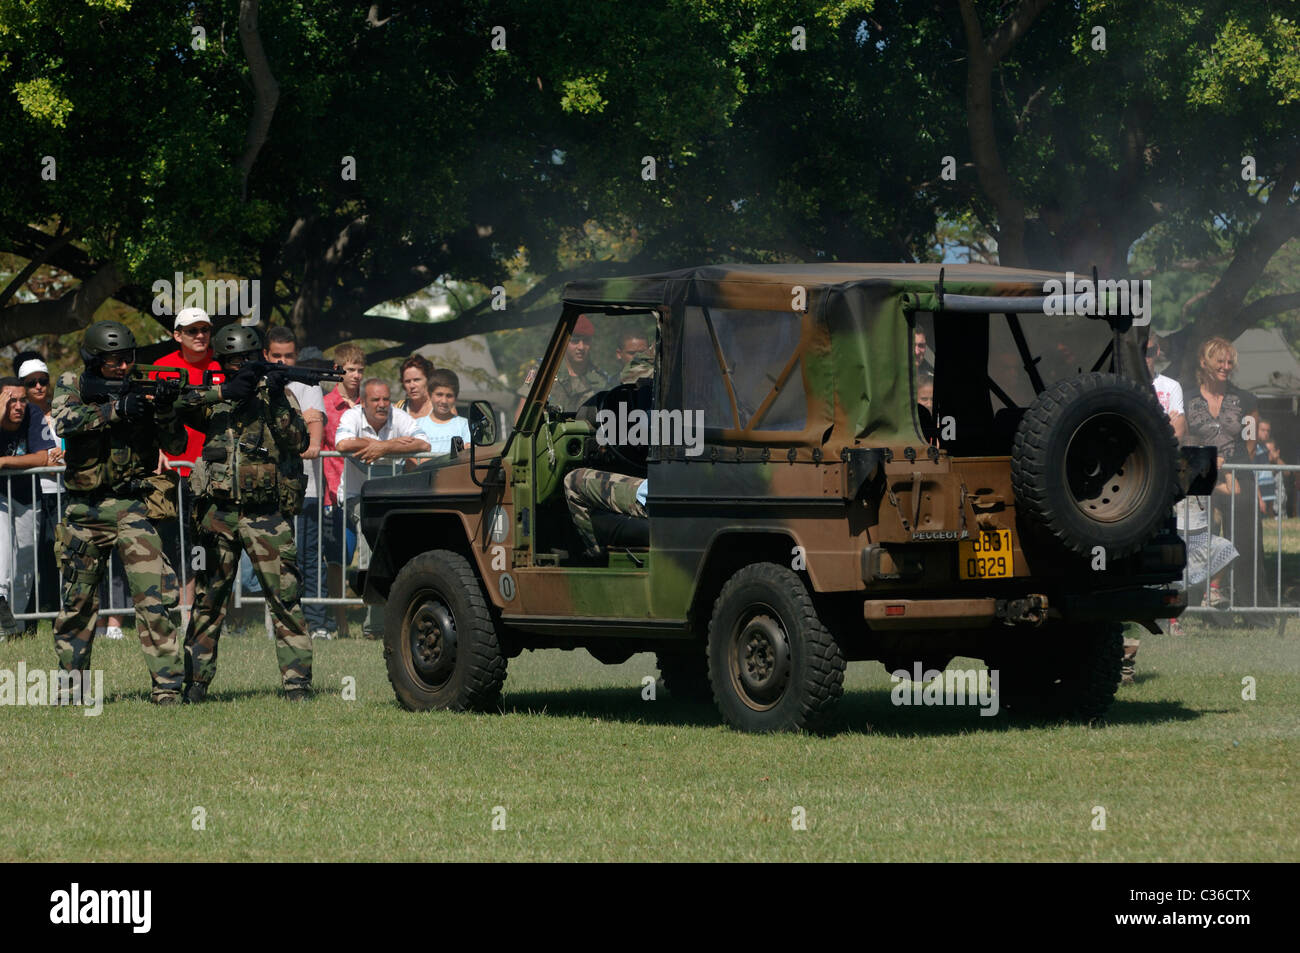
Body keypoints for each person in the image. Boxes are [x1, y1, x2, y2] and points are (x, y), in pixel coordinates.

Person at [50, 320, 188, 703]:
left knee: (153, 598)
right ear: (94, 360)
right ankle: (71, 689)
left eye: (126, 359)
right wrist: (115, 409)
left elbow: (176, 444)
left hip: (132, 505)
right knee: (77, 601)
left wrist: (163, 411)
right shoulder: (73, 384)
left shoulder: (146, 386)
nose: (123, 368)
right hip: (84, 508)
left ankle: (168, 687)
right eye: (113, 361)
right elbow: (64, 421)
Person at [176, 324, 314, 702]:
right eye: (233, 362)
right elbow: (173, 405)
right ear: (222, 363)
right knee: (208, 598)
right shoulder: (213, 396)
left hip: (266, 514)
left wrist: (275, 396)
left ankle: (297, 682)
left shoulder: (277, 395)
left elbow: (299, 441)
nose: (241, 367)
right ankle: (196, 681)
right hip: (217, 513)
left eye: (247, 361)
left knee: (284, 597)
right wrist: (223, 390)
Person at [238, 327, 334, 639]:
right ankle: (269, 618)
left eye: (288, 355)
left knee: (305, 557)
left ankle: (315, 623)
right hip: (260, 486)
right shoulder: (253, 380)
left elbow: (314, 420)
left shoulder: (306, 380)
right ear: (265, 355)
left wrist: (314, 443)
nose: (282, 361)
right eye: (276, 355)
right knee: (262, 562)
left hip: (301, 488)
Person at [335, 379, 430, 638]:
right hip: (357, 498)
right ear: (363, 402)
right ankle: (374, 625)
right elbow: (342, 444)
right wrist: (394, 445)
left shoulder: (398, 417)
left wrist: (383, 447)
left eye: (386, 399)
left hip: (390, 499)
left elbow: (423, 444)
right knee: (371, 541)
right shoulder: (351, 416)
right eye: (375, 400)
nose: (382, 405)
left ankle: (394, 617)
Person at [1183, 336, 1270, 616]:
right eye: (1219, 360)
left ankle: (1251, 607)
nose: (1226, 366)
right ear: (1203, 362)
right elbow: (1183, 437)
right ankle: (1195, 605)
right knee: (1196, 540)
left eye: (1230, 361)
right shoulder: (1188, 397)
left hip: (1237, 477)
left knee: (1244, 541)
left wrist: (1230, 464)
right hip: (1199, 477)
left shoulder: (1245, 399)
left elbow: (1250, 440)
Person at [152, 307, 222, 618]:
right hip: (174, 471)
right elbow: (147, 417)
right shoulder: (160, 368)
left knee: (212, 542)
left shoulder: (222, 367)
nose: (200, 335)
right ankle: (183, 611)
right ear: (176, 335)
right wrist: (157, 450)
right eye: (192, 331)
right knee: (178, 542)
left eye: (204, 329)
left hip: (215, 470)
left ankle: (210, 612)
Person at [0, 377, 57, 638]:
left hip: (27, 497)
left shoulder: (33, 413)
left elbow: (46, 456)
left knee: (24, 571)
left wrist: (4, 462)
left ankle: (16, 630)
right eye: (11, 400)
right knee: (3, 566)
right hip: (1, 498)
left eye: (22, 399)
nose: (19, 405)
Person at [321, 343, 366, 636]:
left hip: (364, 491)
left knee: (368, 559)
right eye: (350, 369)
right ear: (338, 371)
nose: (357, 375)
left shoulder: (370, 405)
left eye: (361, 370)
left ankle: (372, 620)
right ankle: (340, 623)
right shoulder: (325, 405)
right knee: (337, 559)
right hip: (333, 494)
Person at [515, 314, 607, 417]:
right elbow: (521, 414)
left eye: (586, 341)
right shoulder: (543, 373)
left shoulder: (600, 379)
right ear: (565, 342)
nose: (581, 347)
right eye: (575, 341)